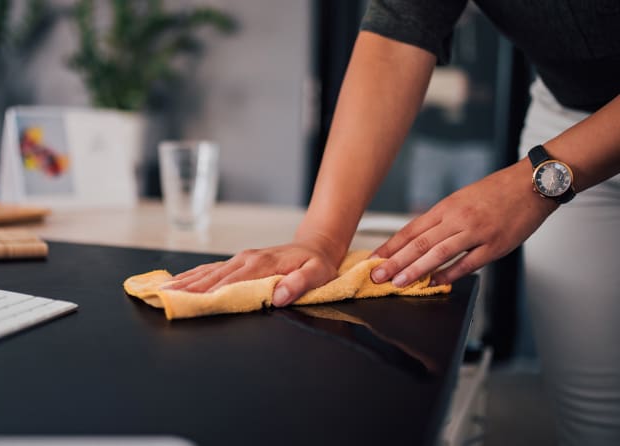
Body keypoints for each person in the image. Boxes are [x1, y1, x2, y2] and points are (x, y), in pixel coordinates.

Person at [167, 1, 620, 444]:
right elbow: (399, 29)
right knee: (597, 421)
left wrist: (531, 184)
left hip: (554, 162)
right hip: (569, 118)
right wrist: (322, 239)